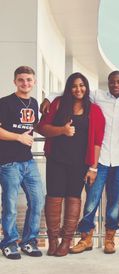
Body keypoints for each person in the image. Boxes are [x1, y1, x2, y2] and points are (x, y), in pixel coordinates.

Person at [40, 70, 119, 254]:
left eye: (81, 85)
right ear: (69, 88)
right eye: (74, 85)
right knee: (53, 198)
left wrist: (93, 167)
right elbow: (42, 127)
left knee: (74, 198)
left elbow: (97, 141)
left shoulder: (94, 109)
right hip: (56, 160)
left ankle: (66, 241)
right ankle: (53, 240)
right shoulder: (58, 104)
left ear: (87, 88)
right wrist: (61, 130)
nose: (78, 89)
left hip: (79, 164)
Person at [0, 66, 44, 259]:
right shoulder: (5, 102)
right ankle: (9, 243)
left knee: (37, 200)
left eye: (29, 80)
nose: (25, 83)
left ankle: (29, 241)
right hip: (8, 162)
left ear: (34, 82)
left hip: (28, 160)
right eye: (21, 80)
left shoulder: (34, 103)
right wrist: (18, 137)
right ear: (15, 81)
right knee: (10, 204)